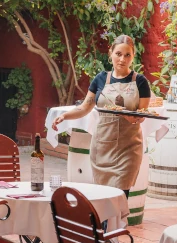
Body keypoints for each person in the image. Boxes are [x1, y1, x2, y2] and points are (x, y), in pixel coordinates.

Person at [51, 35, 151, 199]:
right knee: (102, 197)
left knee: (120, 196)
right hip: (102, 147)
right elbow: (84, 108)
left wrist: (125, 114)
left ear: (133, 57)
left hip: (129, 148)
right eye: (118, 54)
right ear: (110, 53)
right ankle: (103, 225)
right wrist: (65, 116)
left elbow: (141, 115)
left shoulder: (140, 82)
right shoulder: (100, 79)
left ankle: (118, 224)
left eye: (127, 55)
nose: (122, 59)